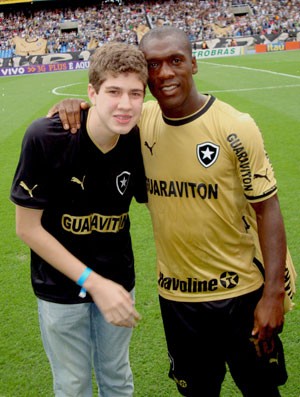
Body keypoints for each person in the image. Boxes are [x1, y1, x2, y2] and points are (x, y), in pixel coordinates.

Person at [47, 27, 296, 397]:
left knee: (261, 390)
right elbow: (102, 114)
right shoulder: (139, 122)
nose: (164, 73)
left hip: (241, 294)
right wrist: (72, 105)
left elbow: (267, 208)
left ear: (193, 64)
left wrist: (272, 294)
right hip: (178, 300)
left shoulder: (235, 126)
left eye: (175, 61)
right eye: (153, 65)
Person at [10, 42, 149, 397]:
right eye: (113, 91)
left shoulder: (140, 138)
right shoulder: (45, 136)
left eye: (136, 93)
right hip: (58, 288)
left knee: (118, 376)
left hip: (118, 280)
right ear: (91, 92)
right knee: (72, 386)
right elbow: (26, 228)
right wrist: (94, 282)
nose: (125, 104)